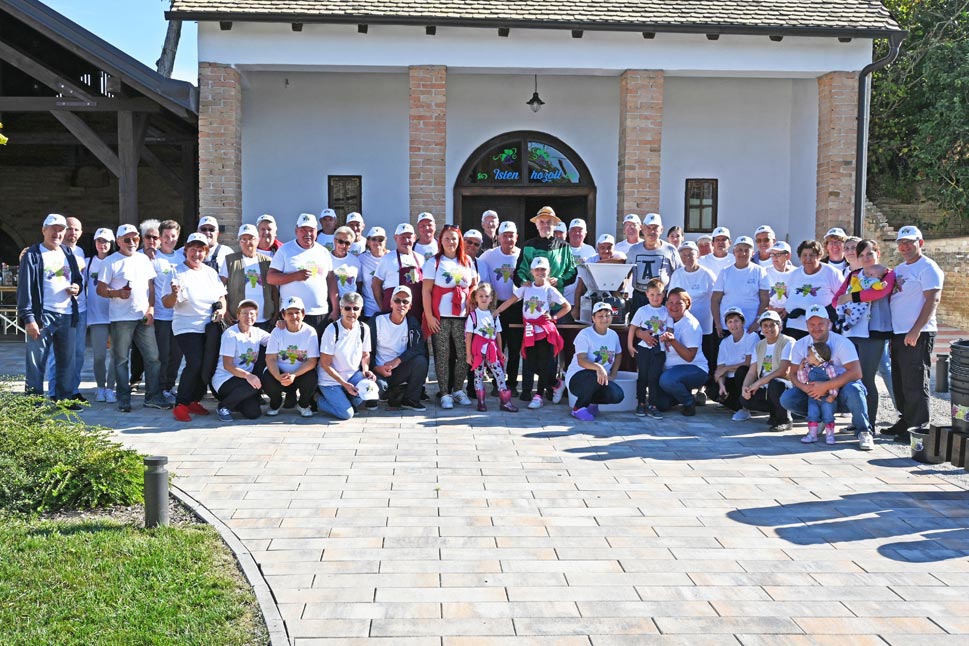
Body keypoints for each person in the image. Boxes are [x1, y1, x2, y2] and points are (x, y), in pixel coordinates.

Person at [780, 304, 873, 450]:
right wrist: (805, 388)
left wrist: (826, 386)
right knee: (787, 398)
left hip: (841, 389)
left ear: (828, 323)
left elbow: (856, 372)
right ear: (806, 325)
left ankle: (864, 431)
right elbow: (792, 373)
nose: (816, 328)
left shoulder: (842, 342)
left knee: (854, 389)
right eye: (812, 324)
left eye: (820, 324)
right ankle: (820, 419)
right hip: (814, 390)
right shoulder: (800, 344)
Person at [97, 224, 169, 412]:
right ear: (118, 241)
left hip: (143, 317)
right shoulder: (110, 261)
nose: (132, 242)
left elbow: (150, 287)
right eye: (127, 239)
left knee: (153, 358)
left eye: (135, 239)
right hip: (121, 318)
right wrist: (116, 293)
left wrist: (151, 308)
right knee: (121, 360)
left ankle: (153, 397)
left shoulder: (144, 259)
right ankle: (123, 399)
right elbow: (100, 289)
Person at [18, 213, 83, 408]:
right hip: (42, 316)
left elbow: (77, 279)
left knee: (67, 361)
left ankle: (64, 399)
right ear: (43, 230)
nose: (57, 233)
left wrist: (77, 288)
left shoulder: (68, 253)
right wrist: (28, 318)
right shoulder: (33, 254)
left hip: (67, 314)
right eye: (53, 229)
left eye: (61, 229)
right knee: (36, 363)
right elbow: (24, 287)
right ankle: (34, 404)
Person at [885, 225, 944, 440]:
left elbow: (933, 300)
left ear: (920, 243)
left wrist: (916, 330)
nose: (905, 246)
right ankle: (905, 420)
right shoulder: (900, 269)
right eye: (902, 243)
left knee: (915, 381)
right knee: (900, 380)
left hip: (917, 332)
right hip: (898, 332)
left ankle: (917, 426)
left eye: (910, 242)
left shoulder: (928, 267)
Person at [163, 232, 227, 421]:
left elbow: (221, 296)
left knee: (206, 364)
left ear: (206, 252)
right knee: (195, 362)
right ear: (186, 250)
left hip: (209, 326)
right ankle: (181, 404)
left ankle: (193, 400)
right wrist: (174, 294)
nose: (197, 254)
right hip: (186, 325)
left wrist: (222, 310)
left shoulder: (210, 272)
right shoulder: (176, 272)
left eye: (201, 250)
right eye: (193, 249)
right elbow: (167, 303)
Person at [833, 239, 896, 429]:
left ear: (878, 253)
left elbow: (879, 293)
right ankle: (858, 420)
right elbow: (836, 300)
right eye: (861, 255)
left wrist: (851, 297)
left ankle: (869, 425)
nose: (866, 258)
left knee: (867, 378)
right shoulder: (854, 275)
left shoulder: (887, 274)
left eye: (870, 253)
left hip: (874, 333)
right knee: (854, 378)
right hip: (852, 332)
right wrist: (845, 307)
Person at [497, 256, 571, 409]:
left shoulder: (550, 289)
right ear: (531, 272)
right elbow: (510, 300)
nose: (540, 272)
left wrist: (554, 317)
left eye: (543, 269)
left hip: (544, 329)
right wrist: (496, 312)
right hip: (530, 329)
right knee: (530, 362)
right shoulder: (526, 288)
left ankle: (539, 395)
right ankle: (556, 383)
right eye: (537, 270)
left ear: (548, 271)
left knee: (543, 363)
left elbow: (567, 306)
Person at [422, 225, 477, 408]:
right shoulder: (434, 262)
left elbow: (474, 284)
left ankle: (458, 389)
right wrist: (429, 316)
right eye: (447, 238)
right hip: (441, 317)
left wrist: (470, 297)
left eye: (454, 238)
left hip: (462, 317)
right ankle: (444, 392)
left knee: (464, 354)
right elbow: (426, 291)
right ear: (441, 241)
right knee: (443, 354)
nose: (451, 242)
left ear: (459, 240)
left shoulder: (467, 261)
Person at [268, 212, 336, 338]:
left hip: (319, 313)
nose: (307, 234)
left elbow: (331, 280)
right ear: (296, 231)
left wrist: (335, 308)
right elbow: (271, 278)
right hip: (292, 313)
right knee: (294, 349)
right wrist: (295, 276)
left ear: (316, 231)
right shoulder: (285, 250)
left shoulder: (323, 252)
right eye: (303, 230)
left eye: (311, 230)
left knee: (316, 348)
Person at [668, 240, 718, 403]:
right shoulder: (677, 274)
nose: (687, 258)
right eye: (684, 255)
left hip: (704, 324)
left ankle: (702, 389)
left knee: (704, 357)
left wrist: (717, 321)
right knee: (683, 353)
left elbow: (716, 298)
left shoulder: (707, 274)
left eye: (690, 254)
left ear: (698, 255)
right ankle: (686, 389)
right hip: (682, 325)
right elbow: (670, 298)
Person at [478, 221, 523, 394]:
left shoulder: (521, 254)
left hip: (516, 307)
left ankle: (512, 383)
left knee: (514, 348)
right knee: (497, 346)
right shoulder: (489, 255)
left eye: (511, 236)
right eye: (505, 236)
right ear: (498, 237)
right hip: (495, 307)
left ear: (516, 237)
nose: (508, 239)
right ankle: (498, 383)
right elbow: (477, 268)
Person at [45, 216, 87, 402]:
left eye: (76, 229)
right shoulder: (53, 251)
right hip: (60, 310)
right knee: (58, 354)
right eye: (69, 228)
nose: (72, 232)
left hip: (80, 309)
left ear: (81, 233)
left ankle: (73, 389)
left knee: (78, 353)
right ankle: (54, 392)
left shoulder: (81, 252)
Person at [317, 292, 377, 420]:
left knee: (370, 389)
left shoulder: (364, 328)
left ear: (361, 310)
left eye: (356, 308)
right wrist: (344, 384)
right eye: (347, 308)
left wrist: (366, 370)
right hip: (330, 380)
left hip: (353, 376)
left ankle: (343, 399)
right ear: (341, 309)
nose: (352, 312)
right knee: (347, 414)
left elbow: (365, 354)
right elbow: (325, 364)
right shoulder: (332, 330)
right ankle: (317, 400)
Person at [368, 285, 428, 411]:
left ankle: (410, 399)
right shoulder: (377, 321)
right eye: (397, 300)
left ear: (410, 306)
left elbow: (418, 348)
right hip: (378, 370)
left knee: (421, 361)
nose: (401, 304)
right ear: (391, 303)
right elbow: (364, 350)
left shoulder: (412, 323)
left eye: (405, 302)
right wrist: (376, 368)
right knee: (374, 395)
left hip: (399, 369)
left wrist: (397, 361)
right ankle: (392, 392)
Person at [212, 299, 270, 421]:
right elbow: (228, 365)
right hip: (225, 379)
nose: (248, 316)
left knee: (253, 413)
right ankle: (224, 406)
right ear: (238, 315)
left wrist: (282, 326)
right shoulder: (231, 335)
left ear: (256, 316)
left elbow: (275, 341)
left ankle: (236, 402)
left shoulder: (257, 332)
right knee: (256, 383)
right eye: (244, 313)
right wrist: (248, 376)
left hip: (244, 380)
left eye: (252, 313)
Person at [565, 301, 625, 421]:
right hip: (578, 378)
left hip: (600, 378)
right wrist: (599, 367)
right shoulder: (584, 334)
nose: (604, 319)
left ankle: (592, 403)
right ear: (593, 318)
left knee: (617, 395)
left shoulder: (613, 335)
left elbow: (618, 354)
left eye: (607, 315)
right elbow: (581, 360)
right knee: (593, 377)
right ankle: (578, 408)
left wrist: (613, 374)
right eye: (600, 316)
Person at [464, 283, 518, 412]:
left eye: (486, 296)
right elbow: (469, 336)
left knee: (499, 374)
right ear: (476, 297)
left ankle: (505, 402)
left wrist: (500, 351)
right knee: (478, 375)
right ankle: (481, 402)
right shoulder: (473, 316)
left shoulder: (493, 315)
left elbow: (498, 334)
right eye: (481, 296)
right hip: (478, 350)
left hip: (492, 349)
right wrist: (469, 354)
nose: (484, 298)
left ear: (491, 298)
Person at [656, 288, 708, 416]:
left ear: (687, 304)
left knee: (666, 380)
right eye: (670, 302)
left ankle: (689, 402)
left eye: (678, 303)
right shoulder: (665, 316)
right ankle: (681, 394)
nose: (673, 306)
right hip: (671, 370)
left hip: (694, 368)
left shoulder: (690, 325)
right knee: (661, 404)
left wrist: (673, 341)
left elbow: (690, 357)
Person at [264, 296, 319, 416]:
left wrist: (293, 375)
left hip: (300, 373)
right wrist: (278, 377)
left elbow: (312, 361)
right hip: (280, 372)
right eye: (289, 313)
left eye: (297, 312)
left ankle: (303, 405)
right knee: (268, 379)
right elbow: (270, 359)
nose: (294, 316)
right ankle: (276, 402)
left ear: (303, 314)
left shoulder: (310, 332)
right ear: (283, 315)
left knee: (312, 378)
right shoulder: (277, 331)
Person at [741, 310, 794, 431]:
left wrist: (758, 383)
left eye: (772, 325)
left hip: (787, 385)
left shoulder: (788, 342)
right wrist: (745, 388)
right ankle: (775, 413)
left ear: (780, 326)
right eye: (765, 325)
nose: (768, 329)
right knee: (745, 399)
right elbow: (752, 372)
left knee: (776, 383)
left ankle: (785, 419)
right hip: (766, 386)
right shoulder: (759, 345)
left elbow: (784, 371)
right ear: (761, 328)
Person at [781, 239, 844, 340]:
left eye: (812, 255)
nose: (808, 259)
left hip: (819, 329)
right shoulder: (794, 274)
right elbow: (789, 294)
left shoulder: (831, 272)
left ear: (819, 256)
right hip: (794, 326)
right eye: (804, 255)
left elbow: (842, 296)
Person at [222, 224, 278, 332]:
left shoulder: (268, 261)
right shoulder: (230, 261)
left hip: (264, 319)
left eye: (251, 238)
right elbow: (220, 288)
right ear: (239, 242)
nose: (248, 243)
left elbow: (274, 290)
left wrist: (276, 314)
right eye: (243, 239)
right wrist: (225, 310)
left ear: (257, 240)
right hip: (238, 319)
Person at [153, 220, 186, 401]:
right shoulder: (153, 258)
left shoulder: (181, 258)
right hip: (161, 315)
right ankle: (160, 387)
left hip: (179, 315)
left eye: (173, 236)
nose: (169, 239)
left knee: (177, 354)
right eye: (166, 236)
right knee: (163, 354)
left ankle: (170, 385)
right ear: (160, 237)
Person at [710, 235, 769, 336]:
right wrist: (718, 323)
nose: (743, 253)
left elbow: (765, 299)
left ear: (753, 253)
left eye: (747, 250)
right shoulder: (725, 272)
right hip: (728, 326)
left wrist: (757, 321)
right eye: (739, 250)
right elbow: (715, 300)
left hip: (751, 327)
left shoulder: (760, 271)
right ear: (734, 252)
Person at [514, 206, 576, 298]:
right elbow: (519, 272)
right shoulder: (527, 246)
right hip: (533, 300)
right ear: (536, 225)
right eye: (541, 222)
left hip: (556, 300)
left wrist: (559, 281)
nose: (545, 225)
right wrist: (523, 282)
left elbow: (572, 272)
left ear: (555, 224)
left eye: (549, 222)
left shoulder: (564, 247)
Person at [628, 277, 669, 419]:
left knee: (654, 376)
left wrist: (667, 340)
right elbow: (633, 327)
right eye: (652, 294)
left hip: (659, 348)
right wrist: (630, 345)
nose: (655, 298)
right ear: (646, 294)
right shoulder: (642, 310)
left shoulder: (666, 311)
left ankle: (653, 404)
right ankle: (641, 403)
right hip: (644, 348)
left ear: (664, 294)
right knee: (643, 376)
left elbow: (670, 328)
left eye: (658, 294)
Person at [624, 212, 680, 312]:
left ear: (661, 230)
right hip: (640, 296)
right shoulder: (634, 250)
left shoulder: (670, 249)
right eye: (648, 228)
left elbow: (679, 273)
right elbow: (626, 273)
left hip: (662, 297)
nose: (652, 231)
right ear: (642, 229)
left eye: (655, 228)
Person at [86, 227, 116, 403]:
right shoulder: (87, 262)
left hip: (116, 315)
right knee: (99, 356)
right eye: (99, 241)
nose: (102, 244)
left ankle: (111, 387)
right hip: (96, 316)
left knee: (116, 355)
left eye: (105, 241)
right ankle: (100, 387)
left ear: (111, 243)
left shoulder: (116, 261)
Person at [713, 307, 758, 420]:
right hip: (730, 379)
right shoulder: (724, 342)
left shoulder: (751, 337)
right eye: (730, 322)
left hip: (745, 379)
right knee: (712, 389)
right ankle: (736, 404)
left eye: (736, 321)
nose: (733, 325)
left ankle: (744, 407)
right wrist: (721, 385)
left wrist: (726, 368)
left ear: (743, 322)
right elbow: (720, 369)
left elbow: (748, 363)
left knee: (741, 371)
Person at [796, 341, 841, 444]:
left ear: (817, 357)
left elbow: (834, 382)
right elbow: (803, 381)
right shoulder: (809, 368)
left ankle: (830, 435)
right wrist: (801, 369)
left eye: (809, 355)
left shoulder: (829, 368)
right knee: (812, 414)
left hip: (827, 398)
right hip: (813, 398)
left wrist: (833, 395)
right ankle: (812, 434)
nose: (807, 357)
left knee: (828, 415)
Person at [373, 223, 424, 314]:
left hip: (416, 309)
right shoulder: (387, 259)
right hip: (392, 311)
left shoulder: (421, 259)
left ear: (414, 238)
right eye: (402, 237)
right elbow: (376, 285)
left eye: (409, 237)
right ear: (396, 238)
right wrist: (383, 308)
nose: (406, 240)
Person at [327, 225, 363, 320]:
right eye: (341, 241)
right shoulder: (326, 258)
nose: (343, 246)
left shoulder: (355, 260)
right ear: (335, 241)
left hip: (351, 306)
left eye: (347, 243)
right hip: (331, 305)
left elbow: (359, 283)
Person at [359, 226, 388, 320]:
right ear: (368, 242)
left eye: (381, 239)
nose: (377, 242)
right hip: (369, 311)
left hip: (389, 310)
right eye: (374, 239)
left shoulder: (391, 257)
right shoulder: (361, 259)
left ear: (385, 241)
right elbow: (359, 283)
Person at [764, 241, 795, 317]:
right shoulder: (764, 272)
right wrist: (770, 309)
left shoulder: (797, 273)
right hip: (769, 314)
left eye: (778, 254)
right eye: (772, 254)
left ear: (788, 256)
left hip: (791, 314)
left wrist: (787, 310)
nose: (774, 258)